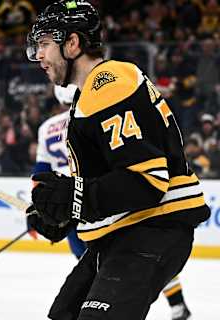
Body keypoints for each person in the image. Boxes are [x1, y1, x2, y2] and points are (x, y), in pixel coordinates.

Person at [25, 2, 210, 320]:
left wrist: (74, 197)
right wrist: (65, 213)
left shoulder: (108, 82)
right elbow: (113, 179)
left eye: (44, 44)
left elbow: (146, 180)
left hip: (152, 228)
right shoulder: (93, 95)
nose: (38, 55)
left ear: (72, 44)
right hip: (122, 233)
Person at [31, 83, 196, 319]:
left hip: (69, 205)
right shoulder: (96, 115)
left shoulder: (47, 128)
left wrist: (42, 207)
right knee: (128, 266)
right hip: (98, 201)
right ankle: (177, 304)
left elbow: (40, 175)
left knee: (96, 266)